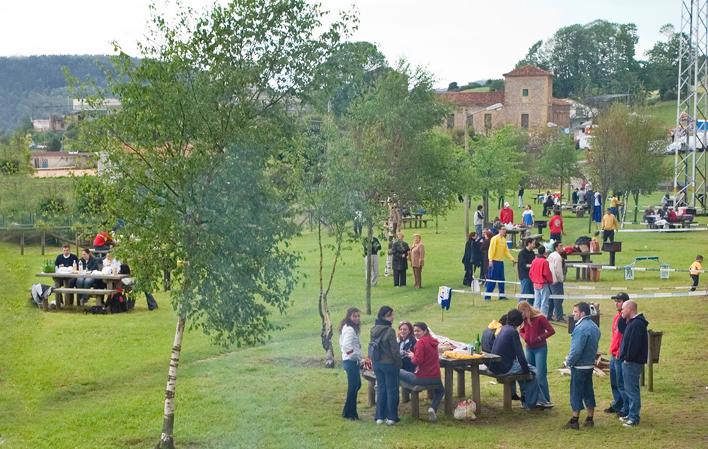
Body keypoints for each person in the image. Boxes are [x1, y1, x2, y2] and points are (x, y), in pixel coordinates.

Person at [488, 309, 552, 409]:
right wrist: (526, 371)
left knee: (526, 371)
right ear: (519, 321)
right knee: (533, 373)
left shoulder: (503, 329)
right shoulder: (513, 332)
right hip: (504, 368)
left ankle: (533, 400)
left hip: (495, 366)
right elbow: (520, 355)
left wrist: (524, 369)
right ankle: (533, 404)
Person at [563, 302, 601, 430]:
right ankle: (590, 419)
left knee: (576, 393)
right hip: (589, 365)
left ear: (582, 313)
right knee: (588, 391)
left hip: (579, 366)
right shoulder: (594, 326)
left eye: (575, 312)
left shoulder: (580, 328)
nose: (573, 314)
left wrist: (568, 362)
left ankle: (574, 421)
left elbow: (577, 350)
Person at [400, 322, 445, 421]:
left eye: (418, 331)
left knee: (397, 371)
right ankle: (432, 408)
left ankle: (403, 393)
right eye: (415, 331)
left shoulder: (420, 343)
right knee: (441, 391)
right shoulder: (433, 341)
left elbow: (417, 361)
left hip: (422, 378)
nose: (416, 333)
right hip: (436, 377)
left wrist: (412, 356)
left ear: (425, 331)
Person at [518, 301, 556, 405]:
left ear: (526, 309)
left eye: (522, 313)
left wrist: (540, 337)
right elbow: (521, 331)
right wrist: (525, 337)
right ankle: (533, 399)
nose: (522, 316)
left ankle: (546, 400)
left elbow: (551, 330)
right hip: (529, 348)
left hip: (540, 348)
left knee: (540, 374)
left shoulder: (540, 318)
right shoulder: (524, 320)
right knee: (530, 374)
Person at [618, 300, 648, 427]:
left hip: (632, 363)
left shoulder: (636, 325)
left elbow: (634, 345)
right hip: (630, 362)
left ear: (630, 309)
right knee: (629, 389)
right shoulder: (632, 323)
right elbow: (621, 329)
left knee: (632, 391)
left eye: (623, 309)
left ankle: (634, 418)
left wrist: (627, 358)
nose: (621, 311)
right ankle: (631, 414)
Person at [370, 306, 401, 425]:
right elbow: (395, 350)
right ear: (385, 316)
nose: (393, 318)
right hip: (389, 364)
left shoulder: (373, 329)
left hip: (377, 363)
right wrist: (399, 363)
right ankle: (392, 417)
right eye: (391, 315)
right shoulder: (390, 331)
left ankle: (379, 417)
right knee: (392, 390)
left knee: (381, 389)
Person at [604, 293, 629, 415]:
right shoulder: (616, 317)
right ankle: (617, 404)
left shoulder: (626, 319)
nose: (616, 303)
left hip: (620, 355)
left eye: (619, 301)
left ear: (625, 303)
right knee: (614, 382)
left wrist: (620, 352)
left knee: (621, 383)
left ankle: (625, 408)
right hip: (613, 354)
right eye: (615, 301)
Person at [339, 307, 363, 420]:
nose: (357, 318)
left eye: (358, 316)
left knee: (356, 385)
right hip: (350, 361)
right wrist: (355, 357)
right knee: (354, 386)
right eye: (354, 316)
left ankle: (349, 412)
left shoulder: (349, 328)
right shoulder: (349, 329)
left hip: (350, 360)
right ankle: (350, 413)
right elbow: (346, 345)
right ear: (349, 317)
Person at [484, 227, 516, 301]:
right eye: (502, 229)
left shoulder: (504, 240)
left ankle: (501, 295)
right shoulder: (495, 239)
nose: (504, 231)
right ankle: (487, 296)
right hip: (494, 261)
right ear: (499, 230)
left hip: (500, 262)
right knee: (492, 279)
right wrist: (490, 260)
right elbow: (491, 250)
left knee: (502, 279)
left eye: (505, 229)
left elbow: (506, 251)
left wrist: (512, 259)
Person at [529, 246, 553, 315]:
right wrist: (550, 281)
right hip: (543, 283)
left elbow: (530, 273)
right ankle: (543, 317)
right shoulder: (545, 261)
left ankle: (534, 315)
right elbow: (547, 273)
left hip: (535, 283)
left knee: (536, 301)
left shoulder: (534, 261)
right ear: (544, 252)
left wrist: (534, 280)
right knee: (544, 302)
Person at [547, 241, 566, 322]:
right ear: (556, 247)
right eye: (560, 246)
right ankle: (559, 316)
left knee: (551, 299)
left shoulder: (551, 255)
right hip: (556, 281)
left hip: (550, 280)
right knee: (559, 299)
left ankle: (549, 315)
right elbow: (558, 271)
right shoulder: (558, 257)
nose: (562, 247)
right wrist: (561, 279)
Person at [517, 238, 536, 303]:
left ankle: (531, 308)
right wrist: (533, 265)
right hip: (524, 275)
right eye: (533, 243)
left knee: (532, 292)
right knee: (524, 292)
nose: (534, 245)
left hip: (532, 276)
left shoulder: (532, 253)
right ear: (529, 243)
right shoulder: (522, 253)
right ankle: (520, 307)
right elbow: (523, 265)